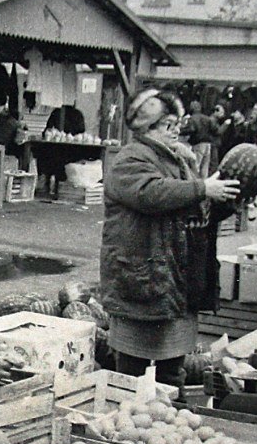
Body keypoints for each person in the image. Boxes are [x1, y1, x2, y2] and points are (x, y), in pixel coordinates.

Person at [99, 89, 239, 388]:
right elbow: (151, 194)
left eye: (178, 122)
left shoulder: (179, 159)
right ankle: (124, 421)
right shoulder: (129, 158)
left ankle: (171, 416)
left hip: (174, 278)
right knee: (130, 371)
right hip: (142, 277)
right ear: (146, 128)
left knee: (173, 368)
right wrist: (202, 188)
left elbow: (194, 208)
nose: (177, 129)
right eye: (168, 124)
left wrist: (225, 200)